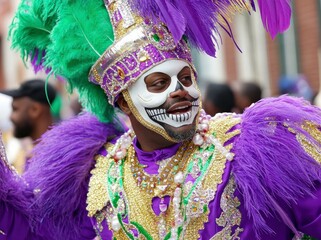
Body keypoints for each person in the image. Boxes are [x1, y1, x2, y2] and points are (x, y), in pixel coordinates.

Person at [0, 0, 320, 239]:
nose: (180, 91)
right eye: (158, 83)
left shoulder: (252, 149)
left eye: (185, 78)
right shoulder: (95, 178)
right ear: (124, 101)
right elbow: (36, 231)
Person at [0, 79, 57, 172]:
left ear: (35, 110)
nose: (11, 117)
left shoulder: (56, 158)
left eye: (15, 109)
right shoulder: (33, 153)